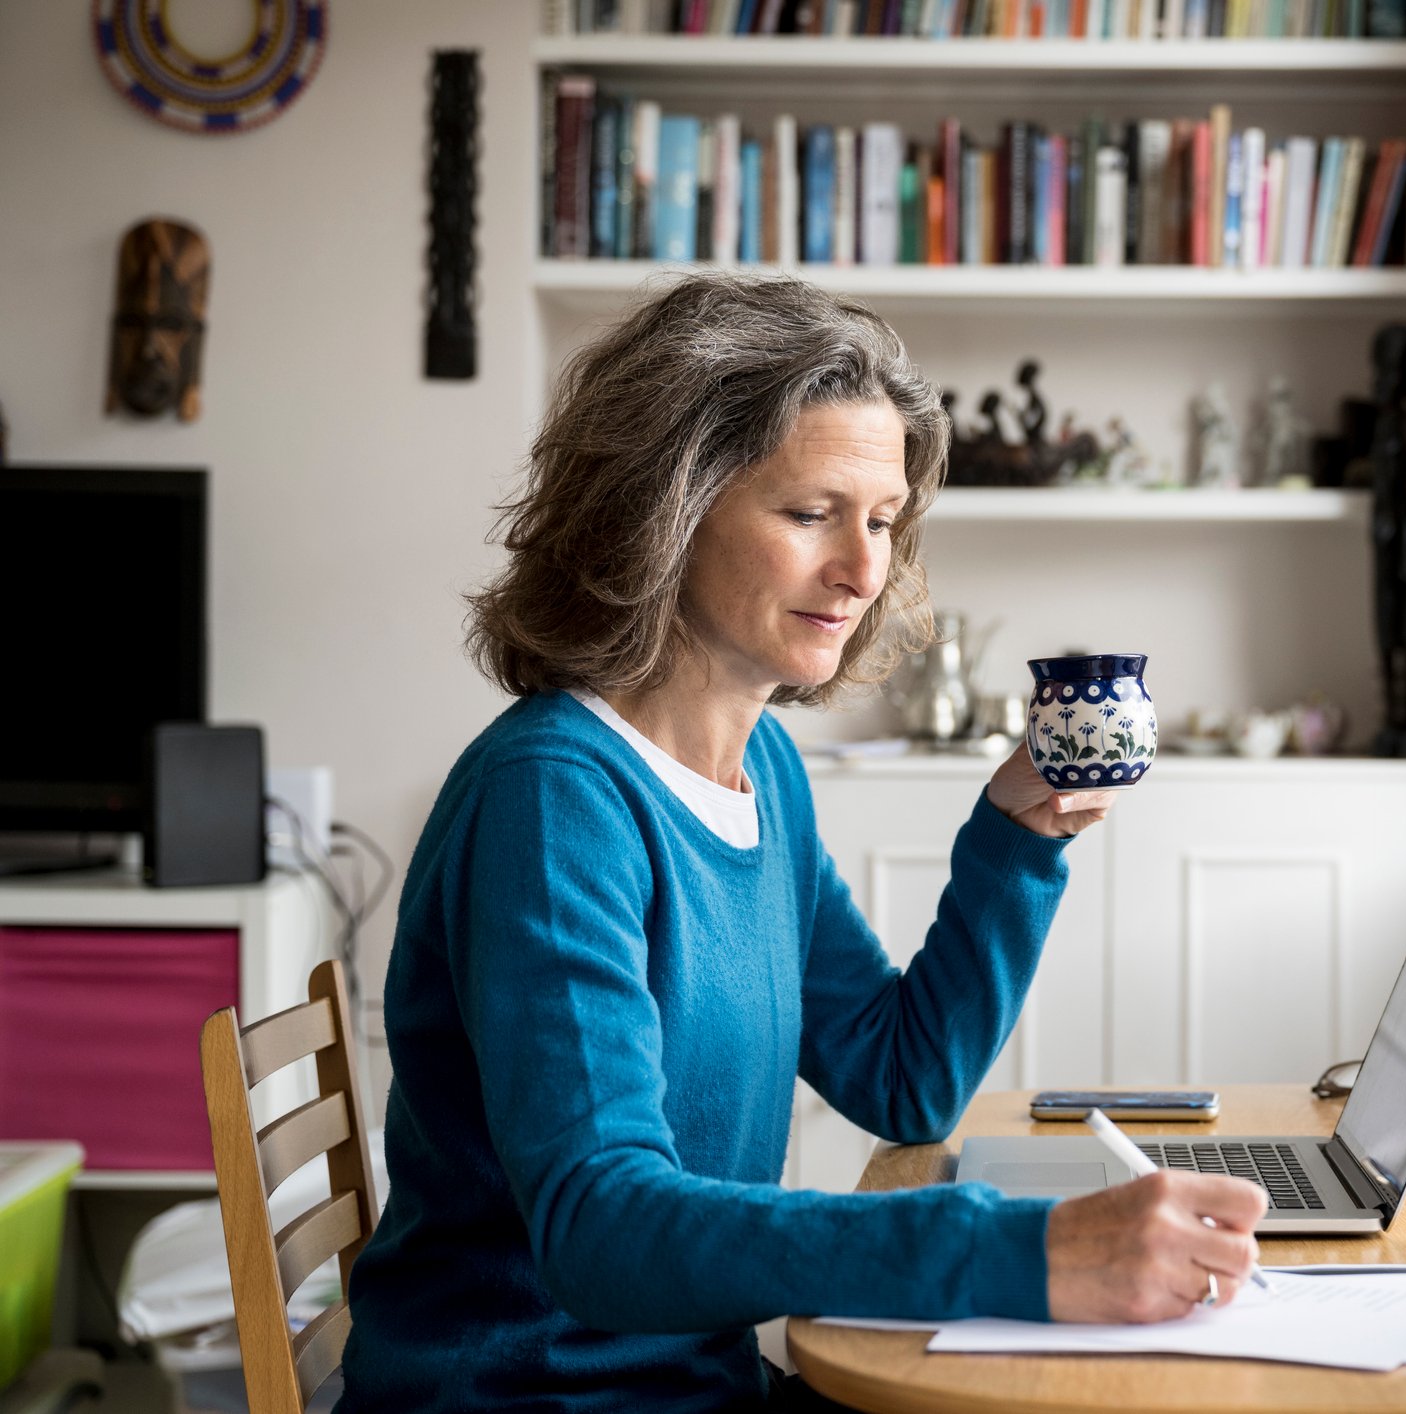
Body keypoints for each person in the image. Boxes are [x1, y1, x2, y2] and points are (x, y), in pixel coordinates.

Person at [336, 272, 1267, 1413]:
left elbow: (902, 1075)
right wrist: (1017, 1251)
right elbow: (597, 1223)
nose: (864, 570)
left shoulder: (762, 767)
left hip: (694, 1381)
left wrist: (1018, 833)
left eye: (881, 522)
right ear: (663, 509)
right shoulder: (553, 799)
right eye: (810, 512)